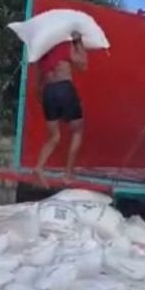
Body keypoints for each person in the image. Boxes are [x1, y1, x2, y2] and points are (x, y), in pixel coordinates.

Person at [33, 31, 89, 186]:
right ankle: (68, 174)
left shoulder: (43, 53)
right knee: (77, 130)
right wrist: (78, 42)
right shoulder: (64, 46)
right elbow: (83, 64)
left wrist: (41, 97)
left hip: (48, 91)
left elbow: (38, 84)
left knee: (54, 136)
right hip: (64, 87)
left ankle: (39, 167)